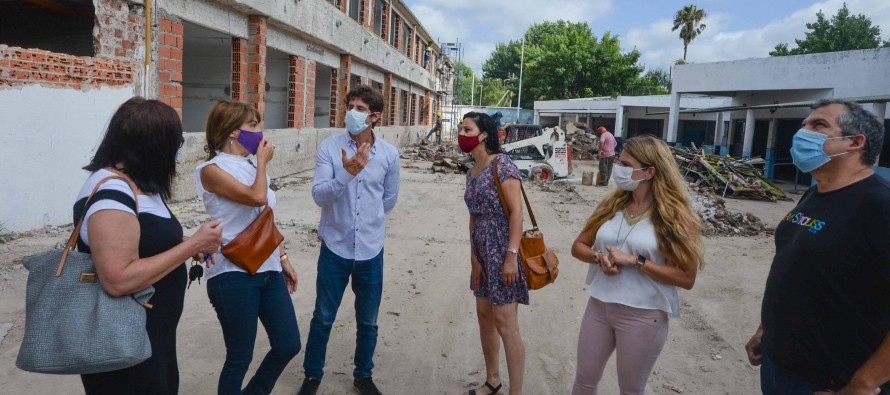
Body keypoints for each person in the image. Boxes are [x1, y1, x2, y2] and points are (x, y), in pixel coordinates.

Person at [74, 97, 222, 394]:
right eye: (175, 143)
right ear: (153, 147)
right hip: (124, 345)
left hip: (151, 336)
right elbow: (117, 279)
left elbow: (144, 242)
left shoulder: (137, 183)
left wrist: (190, 245)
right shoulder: (112, 195)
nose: (177, 151)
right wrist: (192, 244)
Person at [744, 100, 890, 395]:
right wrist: (766, 329)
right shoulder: (813, 194)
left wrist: (865, 383)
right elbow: (795, 269)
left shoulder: (879, 206)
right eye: (803, 125)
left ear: (855, 142)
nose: (803, 132)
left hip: (831, 380)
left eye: (818, 125)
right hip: (778, 363)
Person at [570, 135, 704, 395]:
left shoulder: (676, 217)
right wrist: (599, 258)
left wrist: (634, 261)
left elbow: (687, 278)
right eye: (619, 162)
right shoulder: (612, 204)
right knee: (584, 381)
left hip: (643, 315)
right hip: (599, 307)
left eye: (626, 165)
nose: (618, 169)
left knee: (631, 389)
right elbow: (579, 247)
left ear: (650, 171)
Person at [299, 85, 400, 395]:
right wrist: (347, 173)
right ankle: (312, 375)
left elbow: (389, 199)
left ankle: (363, 375)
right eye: (350, 106)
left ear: (374, 116)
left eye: (360, 108)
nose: (352, 113)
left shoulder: (389, 155)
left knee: (368, 320)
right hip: (335, 247)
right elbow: (319, 195)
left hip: (371, 250)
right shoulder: (329, 148)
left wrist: (368, 225)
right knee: (323, 317)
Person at [196, 100, 301, 395]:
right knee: (239, 357)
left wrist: (282, 256)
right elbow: (256, 198)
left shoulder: (253, 166)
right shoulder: (210, 170)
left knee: (288, 343)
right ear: (231, 132)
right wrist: (264, 162)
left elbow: (263, 217)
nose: (260, 131)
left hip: (266, 266)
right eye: (253, 125)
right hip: (233, 273)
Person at [460, 111, 527, 395]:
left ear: (484, 134)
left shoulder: (504, 166)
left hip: (502, 250)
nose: (461, 134)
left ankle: (517, 392)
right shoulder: (471, 172)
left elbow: (517, 214)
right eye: (461, 129)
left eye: (467, 129)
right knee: (485, 317)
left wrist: (511, 255)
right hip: (482, 252)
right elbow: (473, 216)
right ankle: (493, 380)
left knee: (505, 324)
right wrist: (474, 258)